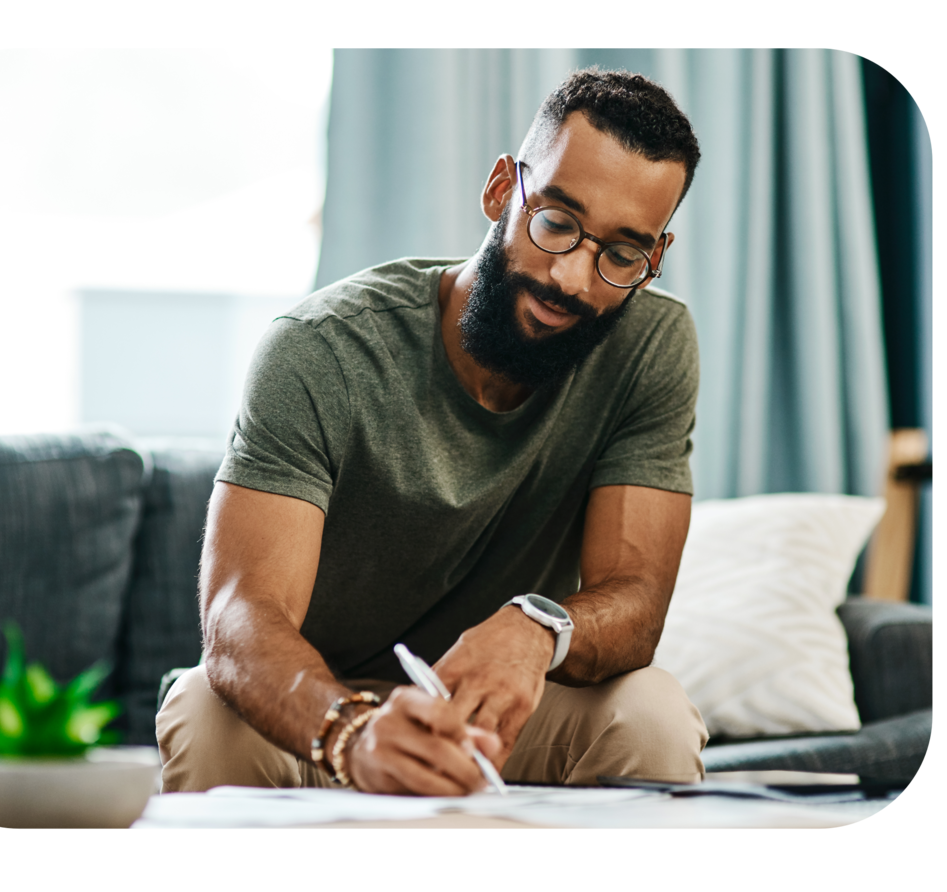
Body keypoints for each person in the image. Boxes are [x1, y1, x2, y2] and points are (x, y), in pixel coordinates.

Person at [157, 68, 710, 795]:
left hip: (494, 715)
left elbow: (634, 601)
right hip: (321, 706)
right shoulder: (320, 348)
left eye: (620, 254)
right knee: (205, 707)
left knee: (652, 712)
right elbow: (240, 617)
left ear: (655, 258)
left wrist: (536, 626)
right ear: (501, 191)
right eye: (556, 223)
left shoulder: (650, 345)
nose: (574, 279)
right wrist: (351, 733)